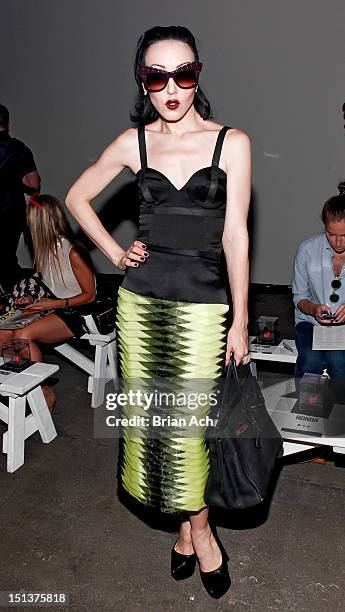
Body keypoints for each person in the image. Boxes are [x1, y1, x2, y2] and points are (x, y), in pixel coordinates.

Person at [65, 25, 251, 599]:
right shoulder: (134, 142)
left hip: (202, 308)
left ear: (198, 74)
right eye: (156, 76)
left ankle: (199, 534)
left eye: (183, 73)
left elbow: (236, 236)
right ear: (142, 82)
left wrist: (240, 319)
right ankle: (193, 531)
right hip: (142, 306)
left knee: (191, 430)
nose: (171, 87)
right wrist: (117, 252)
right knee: (156, 426)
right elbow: (75, 198)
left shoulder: (232, 143)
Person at [0, 193, 96, 406]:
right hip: (52, 306)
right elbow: (44, 283)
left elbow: (91, 295)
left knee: (23, 335)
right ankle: (17, 387)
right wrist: (29, 296)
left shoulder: (74, 251)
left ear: (39, 222)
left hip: (77, 311)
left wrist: (54, 304)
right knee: (3, 332)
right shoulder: (42, 249)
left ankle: (41, 391)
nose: (27, 224)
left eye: (30, 220)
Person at [292, 185, 345, 381]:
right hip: (310, 323)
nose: (338, 242)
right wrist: (314, 309)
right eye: (332, 235)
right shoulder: (307, 250)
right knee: (310, 360)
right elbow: (299, 297)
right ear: (324, 227)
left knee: (339, 361)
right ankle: (307, 411)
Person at [0, 104, 41, 292]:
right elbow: (33, 185)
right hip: (11, 212)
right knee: (6, 259)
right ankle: (21, 295)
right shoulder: (19, 149)